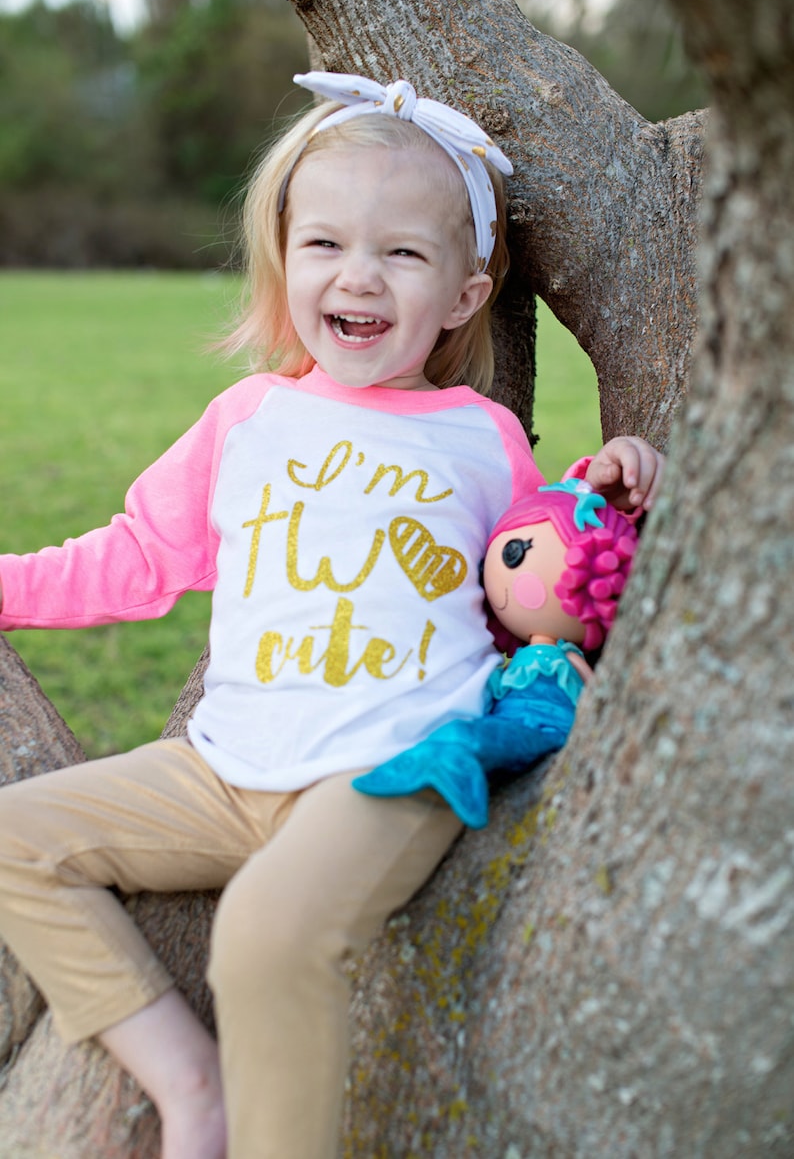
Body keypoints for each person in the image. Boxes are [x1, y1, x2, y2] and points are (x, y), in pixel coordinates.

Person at [0, 72, 664, 1159]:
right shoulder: (248, 418)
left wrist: (612, 483)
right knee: (15, 837)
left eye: (400, 252)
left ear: (463, 295)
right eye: (325, 243)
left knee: (267, 936)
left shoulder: (480, 435)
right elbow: (135, 557)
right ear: (283, 257)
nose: (357, 274)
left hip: (389, 766)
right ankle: (187, 1082)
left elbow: (535, 570)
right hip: (224, 766)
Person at [353, 479, 639, 827]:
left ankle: (455, 765)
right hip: (512, 717)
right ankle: (425, 761)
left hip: (548, 729)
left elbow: (598, 696)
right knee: (482, 733)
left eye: (514, 554)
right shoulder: (519, 660)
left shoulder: (567, 658)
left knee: (498, 741)